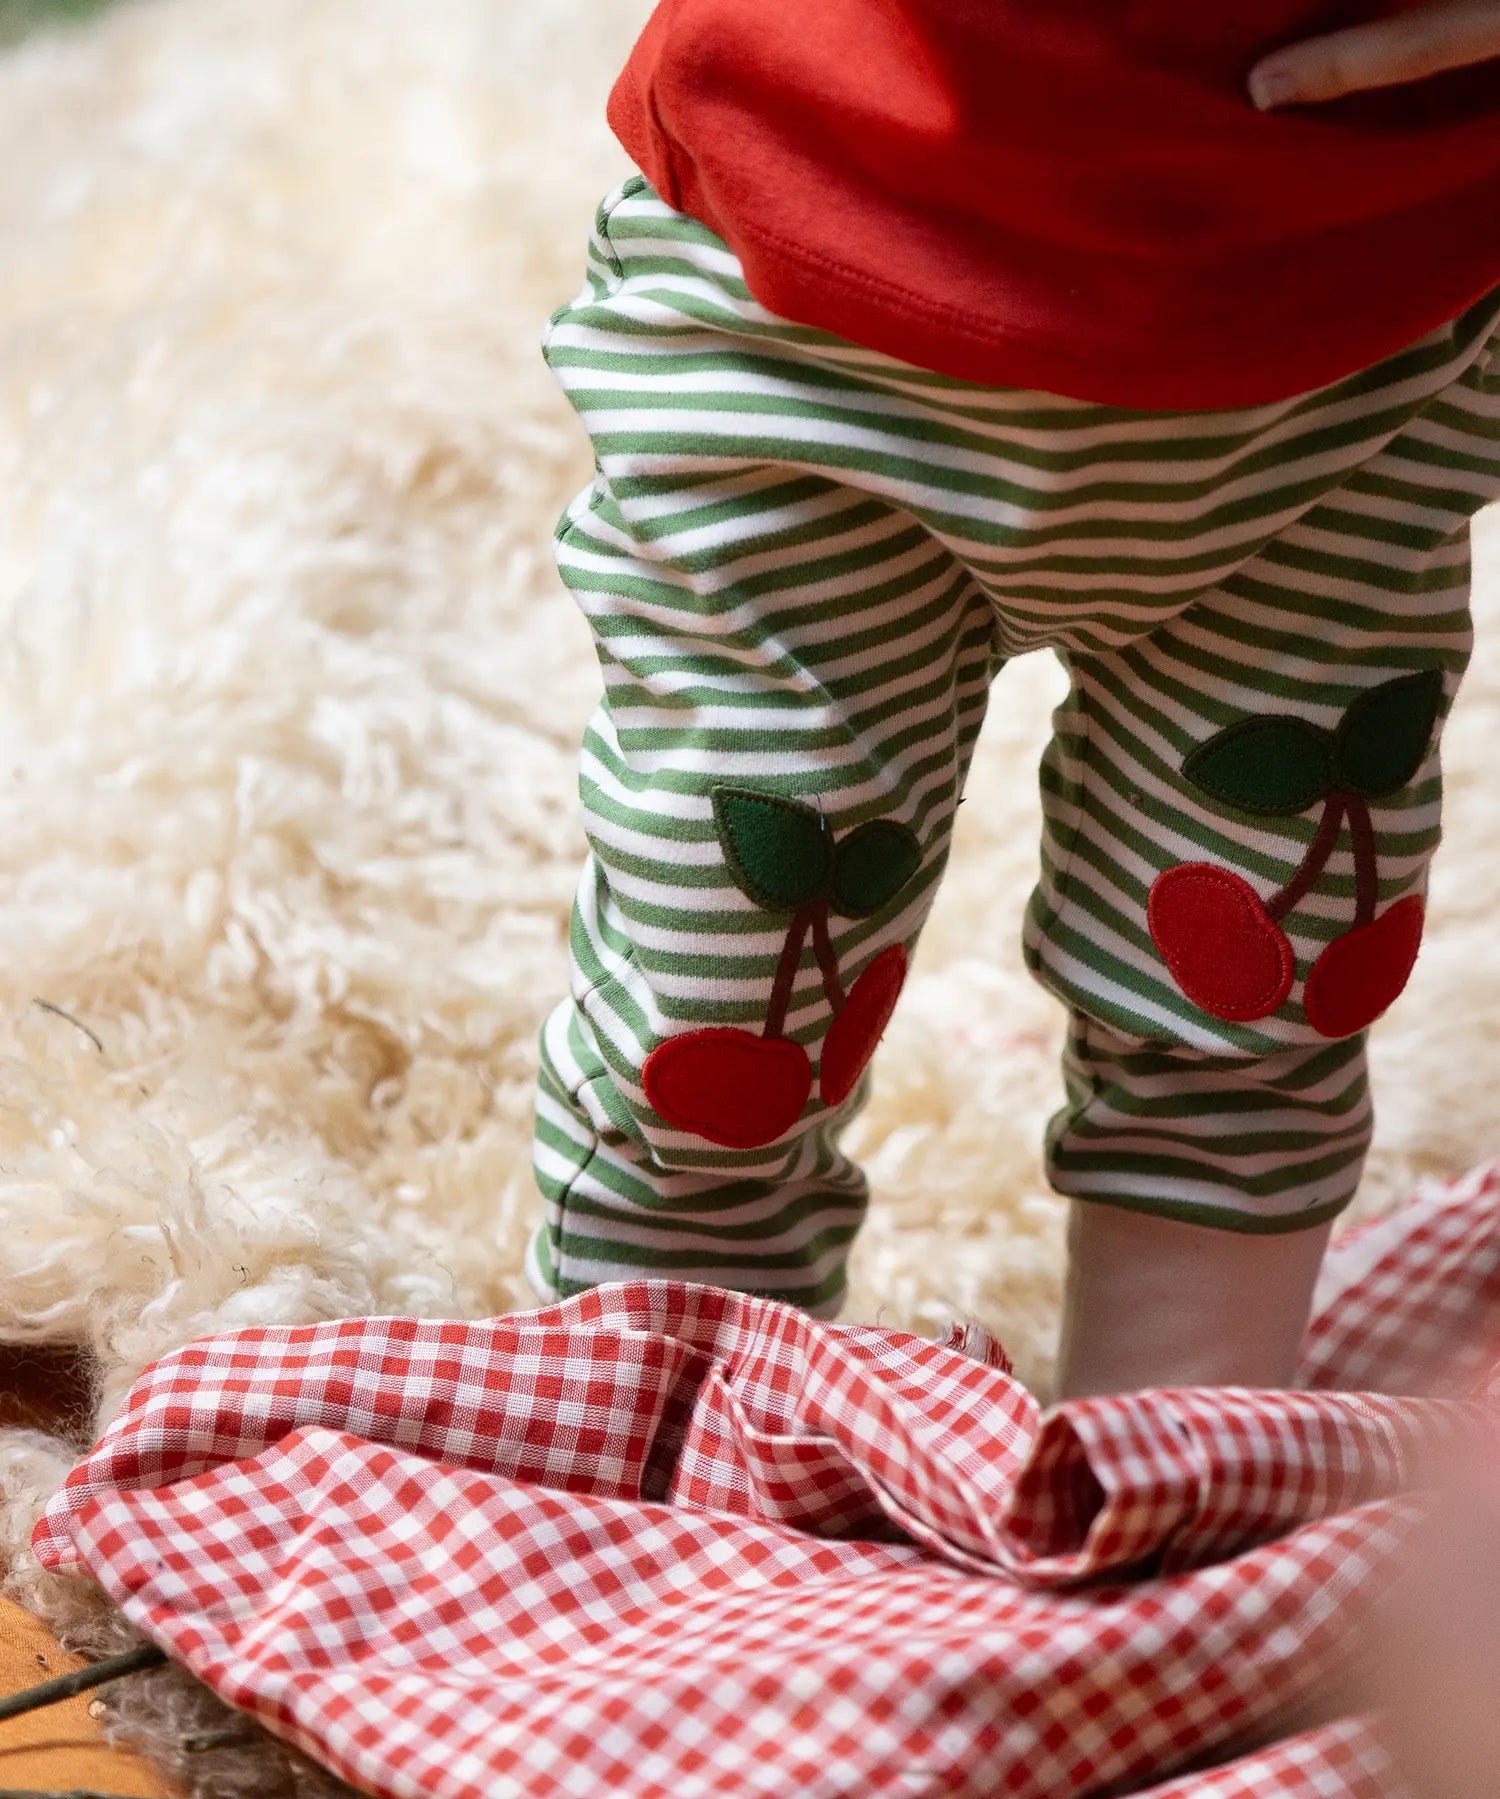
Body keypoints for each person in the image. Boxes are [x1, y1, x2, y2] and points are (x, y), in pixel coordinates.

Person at [527, 1, 1500, 1395]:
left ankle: (1181, 1464)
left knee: (1265, 991)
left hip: (1356, 356)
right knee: (724, 999)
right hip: (810, 315)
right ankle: (670, 1446)